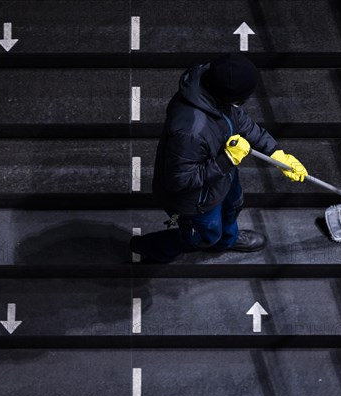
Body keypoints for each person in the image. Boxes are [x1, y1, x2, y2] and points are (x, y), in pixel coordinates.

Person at [130, 53, 308, 263]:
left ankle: (227, 241)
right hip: (195, 200)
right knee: (203, 235)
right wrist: (227, 160)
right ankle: (151, 247)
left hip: (222, 178)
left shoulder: (218, 98)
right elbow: (180, 180)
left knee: (232, 209)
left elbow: (244, 124)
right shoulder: (190, 130)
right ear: (231, 97)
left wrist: (277, 154)